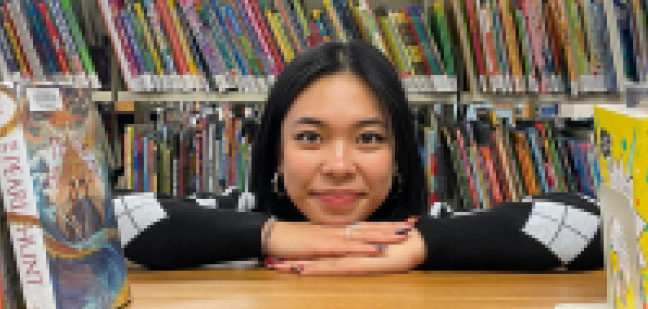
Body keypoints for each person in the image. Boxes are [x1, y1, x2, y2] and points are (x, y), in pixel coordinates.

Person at [117, 41, 603, 274]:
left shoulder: (425, 224)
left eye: (369, 139)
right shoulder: (239, 212)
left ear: (399, 157)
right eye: (310, 139)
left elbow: (595, 223)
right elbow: (98, 220)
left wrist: (418, 247)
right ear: (276, 152)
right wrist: (274, 234)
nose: (339, 164)